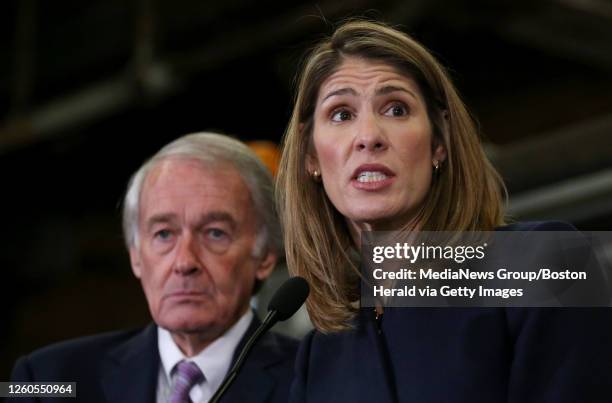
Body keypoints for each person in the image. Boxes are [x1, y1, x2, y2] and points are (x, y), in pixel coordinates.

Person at [276, 19, 612, 403]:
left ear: (440, 143)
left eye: (397, 109)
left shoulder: (542, 261)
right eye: (341, 114)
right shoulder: (319, 355)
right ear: (310, 157)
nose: (368, 136)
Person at [10, 132, 298, 403]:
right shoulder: (44, 378)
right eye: (163, 234)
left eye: (215, 233)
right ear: (135, 255)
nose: (184, 262)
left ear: (265, 256)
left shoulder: (311, 381)